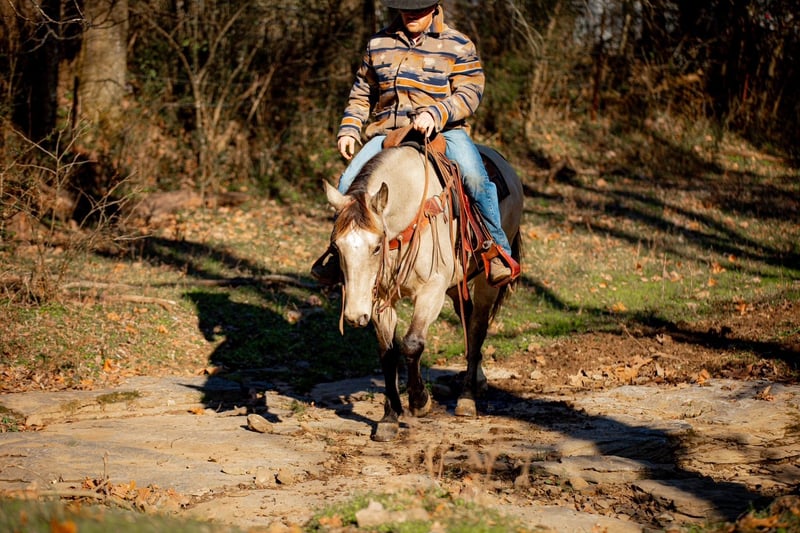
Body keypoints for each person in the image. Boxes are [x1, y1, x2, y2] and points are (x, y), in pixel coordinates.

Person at [312, 0, 519, 286]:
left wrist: (436, 113)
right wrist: (349, 128)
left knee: (475, 178)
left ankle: (496, 250)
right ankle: (339, 255)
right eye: (405, 6)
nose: (411, 12)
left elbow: (470, 92)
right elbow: (362, 91)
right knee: (348, 183)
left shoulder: (458, 44)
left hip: (445, 130)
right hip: (388, 131)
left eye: (419, 7)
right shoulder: (378, 43)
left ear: (434, 7)